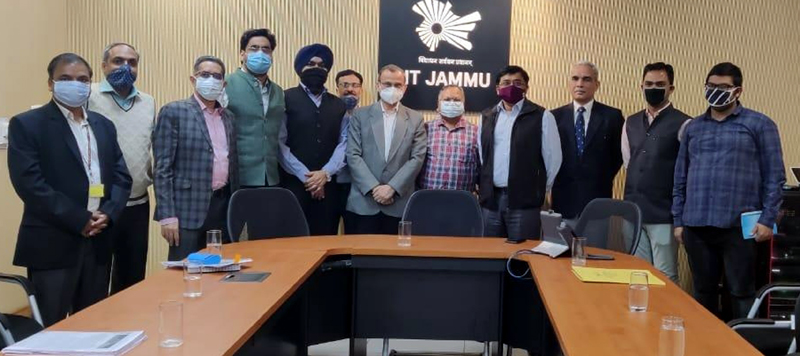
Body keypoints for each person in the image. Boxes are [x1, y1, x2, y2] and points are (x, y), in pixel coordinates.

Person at [7, 53, 132, 326]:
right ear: (51, 83)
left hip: (99, 239)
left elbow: (122, 177)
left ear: (90, 84)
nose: (75, 84)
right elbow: (30, 184)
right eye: (66, 78)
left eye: (82, 79)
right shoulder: (27, 124)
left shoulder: (103, 125)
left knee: (93, 322)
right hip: (53, 241)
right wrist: (79, 219)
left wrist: (108, 213)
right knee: (50, 325)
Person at [673, 62, 785, 319]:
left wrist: (768, 219)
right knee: (702, 290)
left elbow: (774, 176)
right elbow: (680, 176)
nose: (716, 91)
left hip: (739, 227)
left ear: (738, 91)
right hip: (696, 224)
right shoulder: (693, 127)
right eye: (711, 86)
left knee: (741, 291)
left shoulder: (760, 124)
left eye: (723, 87)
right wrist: (678, 220)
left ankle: (745, 345)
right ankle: (706, 344)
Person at [153, 56, 239, 261]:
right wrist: (167, 216)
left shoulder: (229, 117)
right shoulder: (174, 111)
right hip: (186, 212)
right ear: (193, 79)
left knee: (219, 272)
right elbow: (162, 168)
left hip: (222, 207)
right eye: (205, 75)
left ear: (223, 84)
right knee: (183, 273)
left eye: (216, 76)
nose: (211, 80)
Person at [87, 42, 156, 294]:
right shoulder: (88, 95)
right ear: (104, 65)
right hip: (100, 207)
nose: (125, 67)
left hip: (137, 203)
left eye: (132, 62)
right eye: (118, 61)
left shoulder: (147, 102)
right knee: (95, 280)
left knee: (132, 279)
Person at [622, 62, 691, 283]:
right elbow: (628, 163)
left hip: (664, 214)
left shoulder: (684, 123)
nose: (653, 88)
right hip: (633, 212)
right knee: (637, 274)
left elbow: (686, 173)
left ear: (671, 88)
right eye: (649, 84)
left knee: (665, 276)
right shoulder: (630, 122)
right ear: (641, 86)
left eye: (660, 84)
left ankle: (667, 318)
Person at [478, 65, 562, 242]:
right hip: (491, 201)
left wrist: (537, 189)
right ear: (497, 88)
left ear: (526, 88)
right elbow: (482, 155)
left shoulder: (542, 116)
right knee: (489, 254)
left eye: (518, 83)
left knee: (522, 257)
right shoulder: (486, 116)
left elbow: (553, 159)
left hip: (524, 203)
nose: (511, 87)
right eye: (506, 83)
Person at [346, 64, 426, 234]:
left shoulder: (415, 118)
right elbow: (353, 155)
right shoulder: (360, 115)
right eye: (387, 84)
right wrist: (374, 188)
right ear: (378, 85)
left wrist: (392, 188)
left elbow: (417, 158)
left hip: (398, 201)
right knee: (361, 257)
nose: (392, 89)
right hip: (364, 201)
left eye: (397, 85)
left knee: (394, 259)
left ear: (404, 88)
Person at [279, 44, 347, 235]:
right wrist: (308, 177)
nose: (317, 68)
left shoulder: (339, 105)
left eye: (322, 65)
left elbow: (344, 143)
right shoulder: (284, 98)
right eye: (311, 64)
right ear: (300, 68)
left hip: (329, 187)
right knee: (293, 242)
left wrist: (324, 174)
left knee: (326, 240)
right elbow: (279, 144)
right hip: (293, 186)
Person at [551, 61, 623, 226]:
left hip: (597, 202)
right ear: (569, 83)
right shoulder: (554, 117)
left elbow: (617, 157)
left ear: (597, 84)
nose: (580, 84)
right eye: (575, 78)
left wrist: (598, 175)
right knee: (562, 252)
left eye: (586, 79)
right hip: (563, 203)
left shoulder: (612, 117)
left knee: (595, 251)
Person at [226, 28, 284, 188]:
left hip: (271, 177)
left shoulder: (278, 91)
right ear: (242, 54)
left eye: (266, 49)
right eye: (254, 48)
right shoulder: (225, 84)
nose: (260, 53)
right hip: (237, 177)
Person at [418, 85, 479, 191]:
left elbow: (481, 167)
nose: (451, 103)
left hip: (462, 199)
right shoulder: (425, 129)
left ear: (463, 104)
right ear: (438, 104)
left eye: (456, 100)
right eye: (447, 99)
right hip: (427, 197)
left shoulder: (476, 132)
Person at [334, 69, 363, 233]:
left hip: (356, 185)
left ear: (360, 89)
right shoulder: (328, 114)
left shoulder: (368, 116)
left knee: (354, 232)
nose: (350, 89)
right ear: (337, 87)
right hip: (331, 183)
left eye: (354, 85)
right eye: (345, 85)